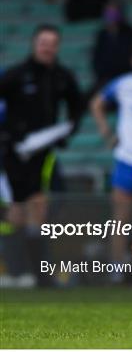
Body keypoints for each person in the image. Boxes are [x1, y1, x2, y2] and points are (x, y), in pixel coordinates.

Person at [0, 24, 84, 287]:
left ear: (57, 47)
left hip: (43, 155)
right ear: (35, 45)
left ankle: (38, 276)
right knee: (14, 212)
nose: (47, 48)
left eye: (52, 43)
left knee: (39, 207)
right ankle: (14, 272)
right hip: (12, 153)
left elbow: (77, 106)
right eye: (43, 43)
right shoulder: (15, 75)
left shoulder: (62, 76)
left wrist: (66, 133)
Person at [90, 37, 132, 285]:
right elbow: (96, 104)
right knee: (120, 219)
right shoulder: (123, 84)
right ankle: (116, 270)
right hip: (126, 159)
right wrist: (107, 133)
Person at [89, 0, 132, 99]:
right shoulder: (101, 36)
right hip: (106, 80)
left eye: (114, 13)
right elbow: (96, 60)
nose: (111, 16)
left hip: (128, 79)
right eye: (108, 13)